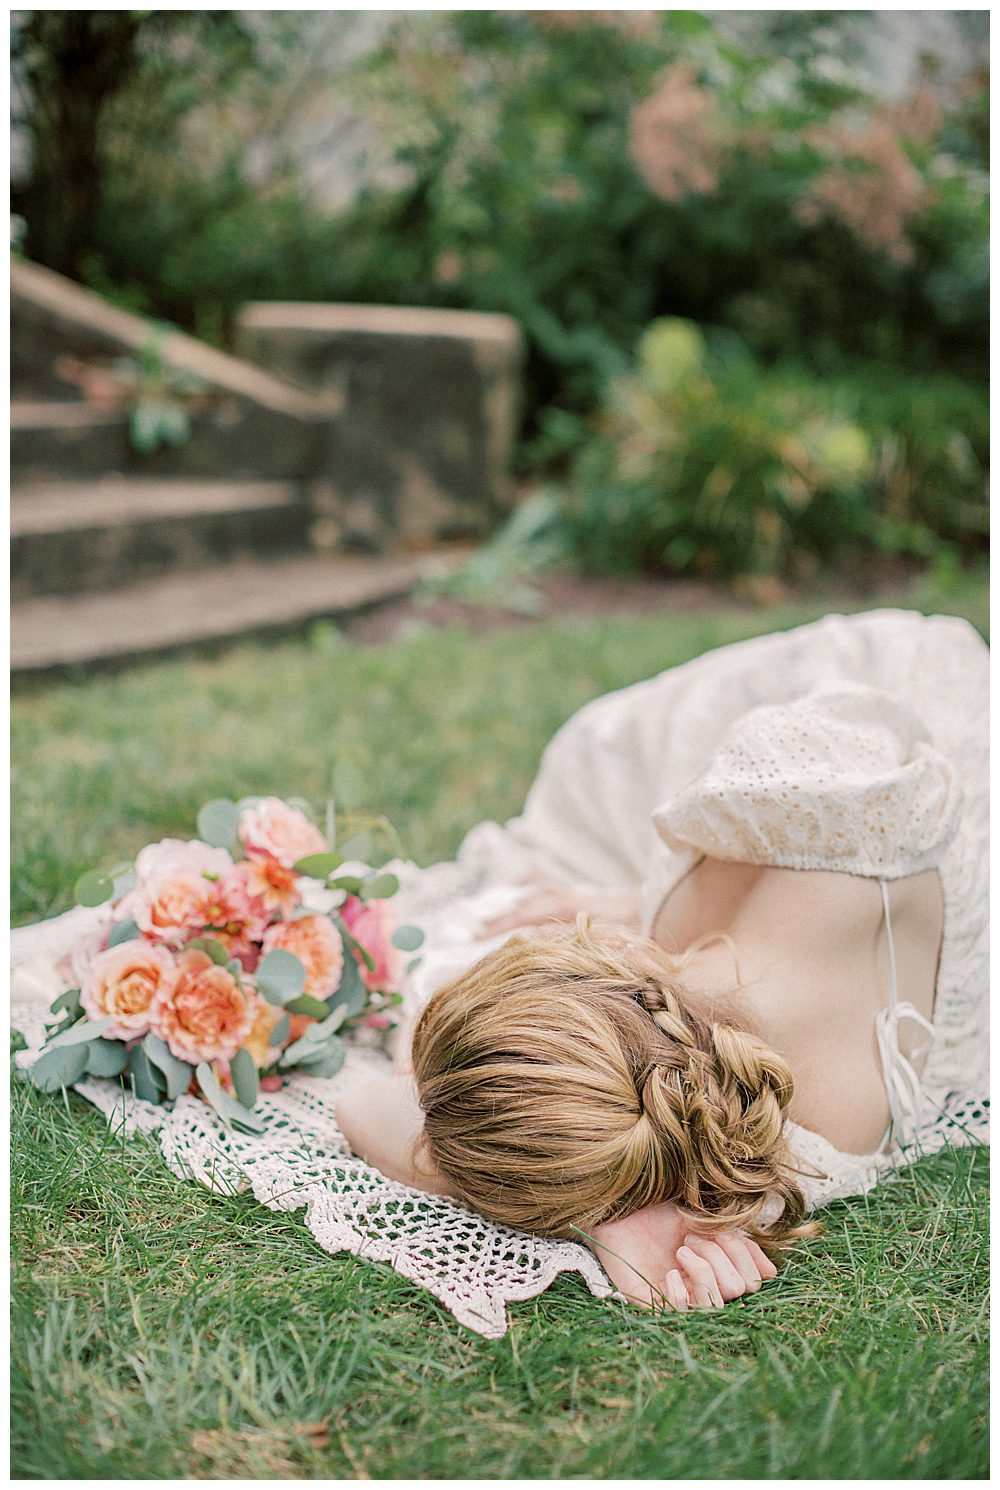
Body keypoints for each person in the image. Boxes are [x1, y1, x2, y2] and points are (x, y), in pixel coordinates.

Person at [336, 609, 988, 1312]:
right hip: (945, 780)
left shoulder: (775, 1144)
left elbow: (368, 1107)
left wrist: (602, 1197)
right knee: (595, 755)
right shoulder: (804, 790)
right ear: (592, 960)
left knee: (597, 763)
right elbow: (373, 1106)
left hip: (890, 757)